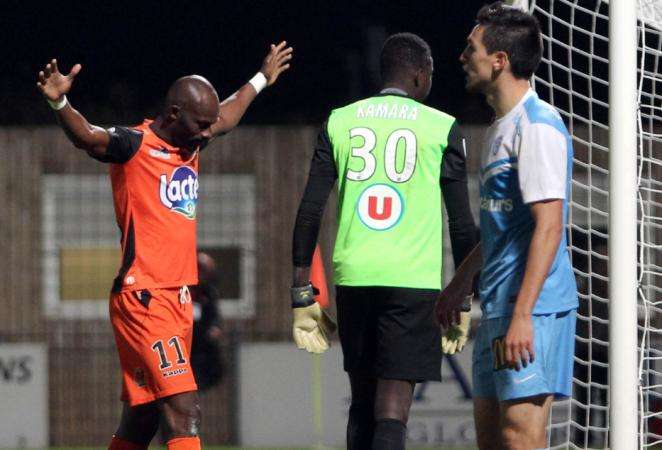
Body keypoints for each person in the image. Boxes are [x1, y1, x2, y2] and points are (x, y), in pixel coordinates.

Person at [36, 42, 292, 450]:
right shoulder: (134, 145)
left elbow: (226, 114)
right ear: (174, 114)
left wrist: (261, 78)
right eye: (201, 124)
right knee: (184, 411)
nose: (209, 132)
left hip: (175, 298)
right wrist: (60, 102)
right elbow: (88, 137)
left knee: (142, 417)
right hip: (145, 297)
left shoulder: (191, 142)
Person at [290, 33, 477, 450]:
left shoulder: (340, 120)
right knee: (392, 410)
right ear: (418, 74)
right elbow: (462, 223)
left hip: (355, 277)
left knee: (361, 403)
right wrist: (464, 297)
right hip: (413, 281)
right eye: (430, 73)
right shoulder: (441, 127)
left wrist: (302, 291)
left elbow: (309, 210)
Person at [438, 3, 579, 449]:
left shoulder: (537, 126)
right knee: (492, 439)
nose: (463, 57)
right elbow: (504, 227)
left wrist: (523, 316)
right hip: (500, 307)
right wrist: (460, 282)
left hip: (532, 309)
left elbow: (549, 226)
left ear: (499, 60)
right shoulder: (500, 127)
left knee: (520, 436)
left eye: (471, 48)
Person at [190, 252, 224, 392]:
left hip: (202, 344)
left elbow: (214, 315)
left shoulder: (209, 292)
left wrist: (215, 328)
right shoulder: (184, 289)